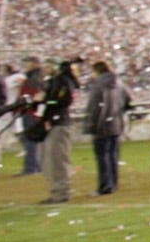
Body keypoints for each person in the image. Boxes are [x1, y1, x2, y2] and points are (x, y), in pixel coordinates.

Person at [84, 59, 129, 195]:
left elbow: (94, 107)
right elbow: (128, 100)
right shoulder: (119, 83)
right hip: (115, 123)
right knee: (112, 155)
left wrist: (91, 125)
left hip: (101, 126)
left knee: (102, 157)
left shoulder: (98, 85)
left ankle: (105, 186)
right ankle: (113, 183)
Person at [40, 57, 81, 204]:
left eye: (48, 66)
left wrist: (44, 100)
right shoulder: (53, 82)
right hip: (54, 123)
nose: (45, 69)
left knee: (58, 159)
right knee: (50, 160)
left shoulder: (62, 81)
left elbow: (64, 101)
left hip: (60, 123)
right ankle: (57, 190)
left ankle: (62, 192)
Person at [15, 58, 45, 174]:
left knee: (29, 140)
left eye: (27, 63)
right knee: (32, 141)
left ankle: (30, 167)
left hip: (30, 113)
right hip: (32, 113)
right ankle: (36, 166)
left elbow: (32, 96)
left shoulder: (32, 79)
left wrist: (22, 106)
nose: (25, 66)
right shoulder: (36, 78)